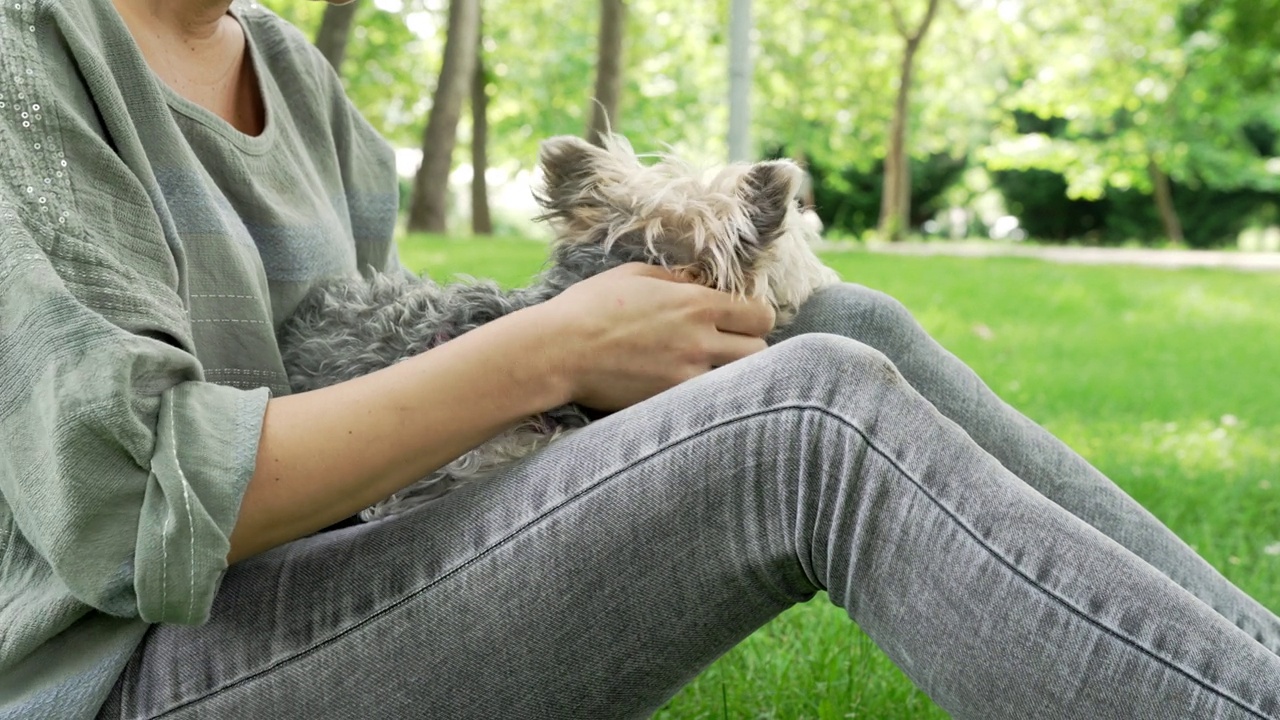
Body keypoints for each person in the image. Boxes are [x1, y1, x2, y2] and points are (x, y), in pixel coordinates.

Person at [0, 0, 1276, 718]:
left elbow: (373, 370)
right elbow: (135, 510)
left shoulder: (284, 68)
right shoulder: (26, 57)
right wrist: (549, 346)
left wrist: (582, 352)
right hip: (127, 677)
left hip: (325, 582)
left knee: (844, 331)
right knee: (804, 419)